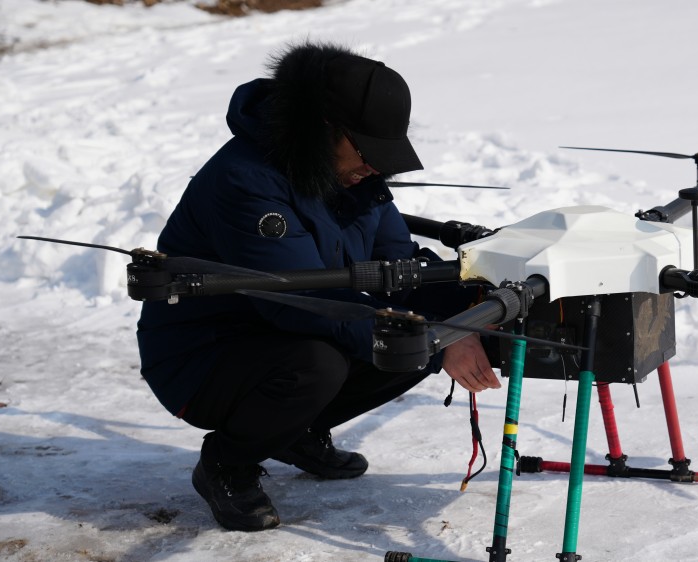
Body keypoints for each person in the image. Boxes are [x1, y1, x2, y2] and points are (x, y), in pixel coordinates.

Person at [136, 41, 501, 532]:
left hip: (273, 341)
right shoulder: (245, 181)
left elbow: (400, 267)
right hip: (201, 356)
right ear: (324, 128)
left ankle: (293, 431)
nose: (376, 166)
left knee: (408, 344)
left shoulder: (352, 178)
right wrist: (438, 339)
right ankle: (228, 464)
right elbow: (303, 303)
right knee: (332, 360)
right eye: (368, 152)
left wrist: (469, 310)